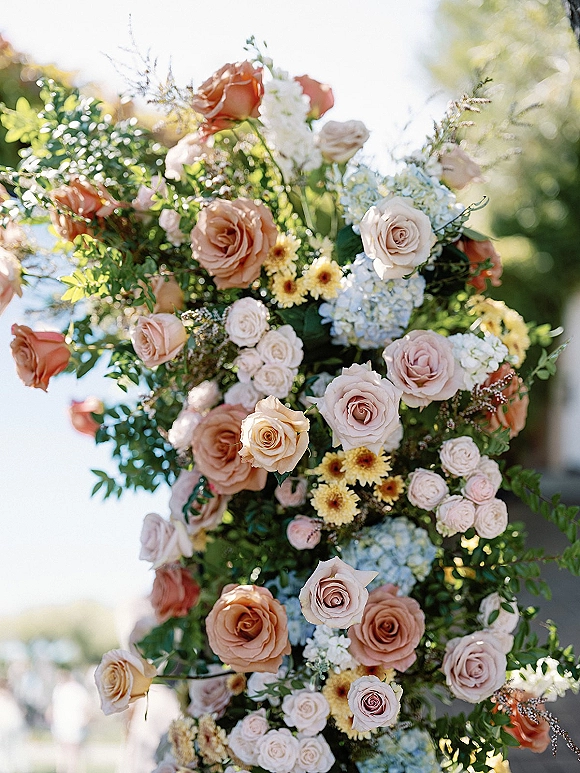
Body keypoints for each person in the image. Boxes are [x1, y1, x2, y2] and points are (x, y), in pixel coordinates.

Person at [49, 670, 91, 773]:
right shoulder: (76, 689)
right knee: (72, 752)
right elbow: (88, 707)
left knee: (65, 752)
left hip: (68, 724)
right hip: (70, 724)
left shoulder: (61, 689)